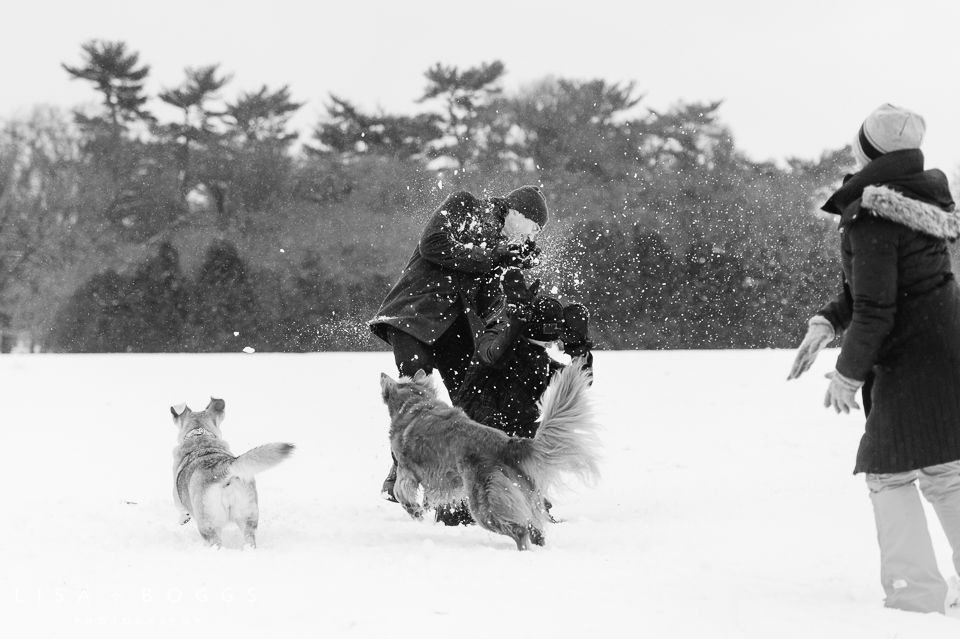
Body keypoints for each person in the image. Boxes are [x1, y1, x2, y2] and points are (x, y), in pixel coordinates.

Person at [788, 104, 960, 614]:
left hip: (912, 356)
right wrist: (826, 321)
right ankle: (920, 590)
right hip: (944, 344)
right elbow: (883, 289)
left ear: (869, 149)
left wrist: (847, 373)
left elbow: (877, 306)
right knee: (945, 467)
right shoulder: (920, 196)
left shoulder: (872, 212)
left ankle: (915, 594)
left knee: (888, 471)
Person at [370, 185, 549, 501]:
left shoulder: (501, 247)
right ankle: (399, 475)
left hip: (456, 332)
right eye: (533, 228)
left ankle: (465, 486)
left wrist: (513, 271)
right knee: (416, 395)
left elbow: (489, 300)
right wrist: (492, 256)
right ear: (517, 212)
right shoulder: (466, 205)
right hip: (415, 314)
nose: (531, 236)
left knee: (469, 404)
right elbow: (434, 245)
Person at [433, 271, 594, 525]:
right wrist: (515, 322)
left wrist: (580, 350)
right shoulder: (496, 335)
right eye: (548, 330)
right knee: (460, 513)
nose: (551, 339)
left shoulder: (538, 356)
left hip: (514, 451)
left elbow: (578, 381)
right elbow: (493, 355)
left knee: (521, 504)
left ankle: (524, 502)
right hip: (474, 445)